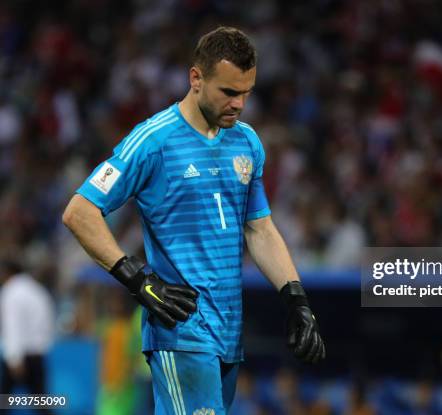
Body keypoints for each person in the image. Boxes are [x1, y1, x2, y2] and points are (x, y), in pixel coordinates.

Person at [62, 26, 325, 415]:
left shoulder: (247, 142)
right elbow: (79, 212)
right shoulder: (153, 141)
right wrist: (140, 281)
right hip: (180, 330)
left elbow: (260, 228)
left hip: (228, 333)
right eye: (229, 92)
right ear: (196, 79)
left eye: (247, 93)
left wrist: (297, 300)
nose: (239, 104)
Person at [0, 259, 54, 400]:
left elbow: (12, 326)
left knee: (4, 401)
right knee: (40, 400)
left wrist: (14, 358)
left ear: (7, 272)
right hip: (37, 354)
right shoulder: (37, 289)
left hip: (20, 355)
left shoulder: (11, 291)